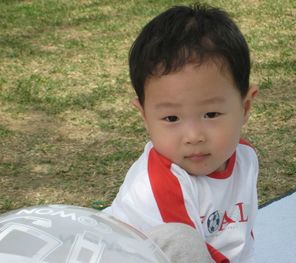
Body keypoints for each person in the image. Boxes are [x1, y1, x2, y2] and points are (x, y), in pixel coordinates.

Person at [105, 4, 259, 263]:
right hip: (119, 255)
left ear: (244, 107)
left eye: (211, 114)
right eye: (171, 118)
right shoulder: (158, 183)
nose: (193, 135)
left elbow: (237, 241)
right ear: (144, 116)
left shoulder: (246, 158)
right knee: (182, 241)